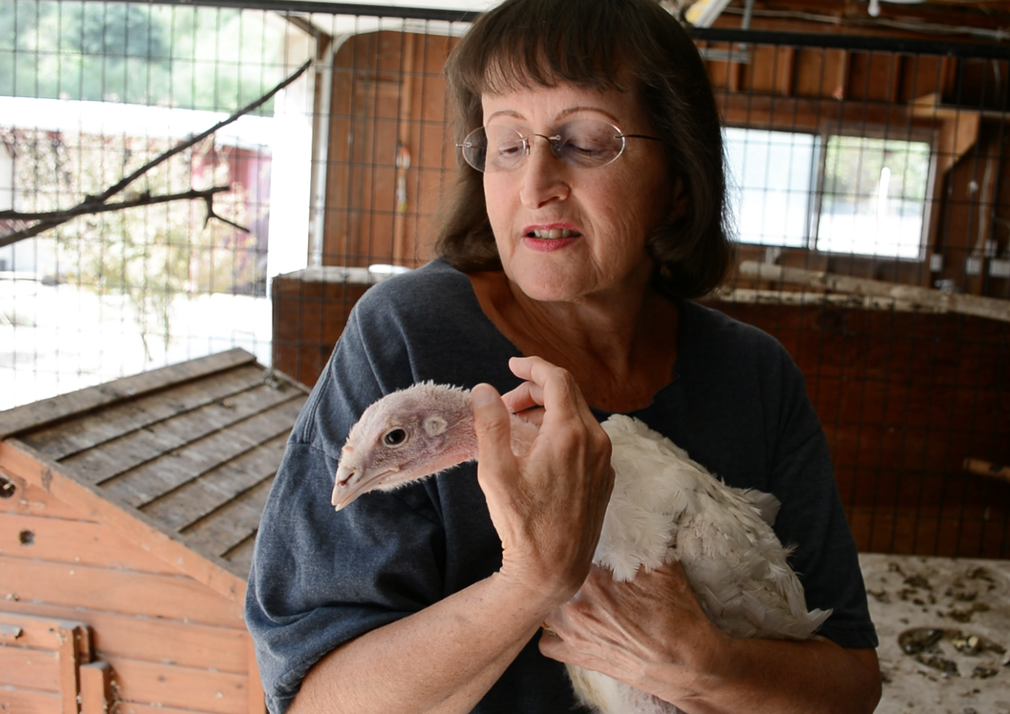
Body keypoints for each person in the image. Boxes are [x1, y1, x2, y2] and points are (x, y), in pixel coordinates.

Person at [245, 0, 880, 712]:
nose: (535, 184)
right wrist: (531, 584)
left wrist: (705, 663)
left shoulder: (752, 374)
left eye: (584, 141)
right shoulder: (406, 336)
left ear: (677, 180)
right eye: (508, 144)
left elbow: (849, 684)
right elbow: (318, 702)